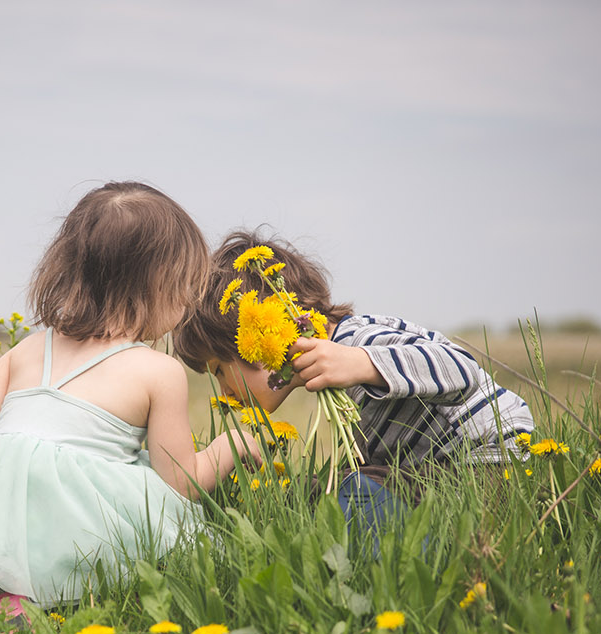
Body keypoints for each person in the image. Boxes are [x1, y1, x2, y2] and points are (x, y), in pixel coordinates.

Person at [0, 182, 261, 620]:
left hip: (2, 522)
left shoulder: (28, 349)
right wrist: (234, 446)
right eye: (185, 285)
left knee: (36, 496)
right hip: (85, 525)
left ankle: (3, 588)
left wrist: (20, 474)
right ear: (156, 286)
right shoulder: (157, 371)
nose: (189, 301)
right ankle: (75, 593)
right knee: (155, 517)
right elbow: (179, 483)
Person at [172, 228, 534, 549]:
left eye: (220, 370)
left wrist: (360, 363)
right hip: (434, 475)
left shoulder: (359, 339)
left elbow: (462, 368)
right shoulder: (332, 370)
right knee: (315, 492)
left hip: (486, 467)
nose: (224, 390)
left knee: (346, 494)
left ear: (263, 336)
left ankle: (412, 555)